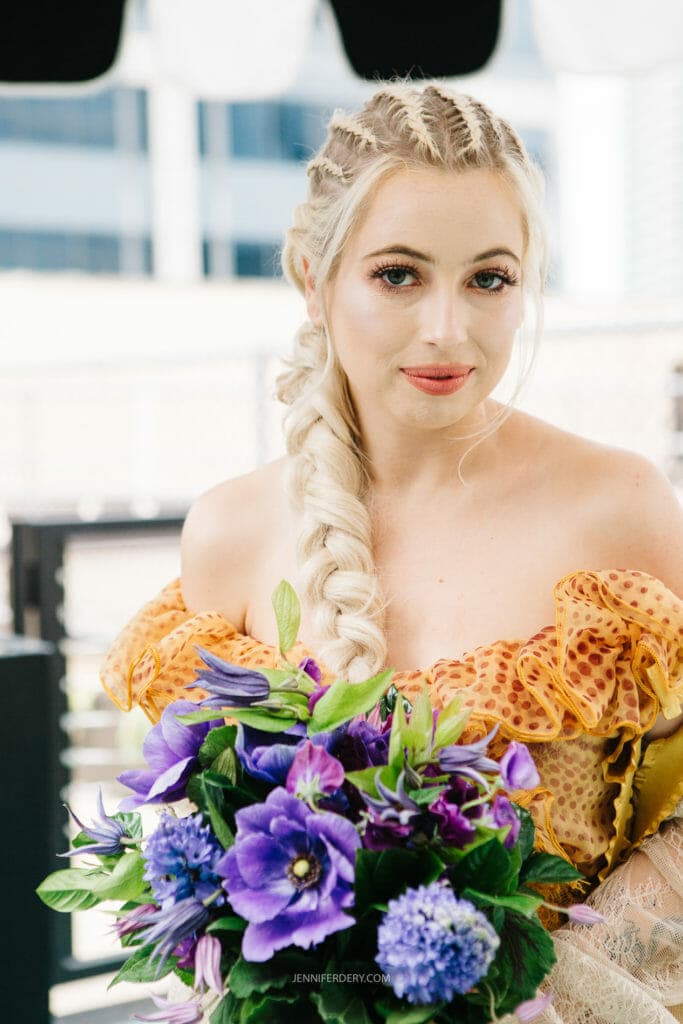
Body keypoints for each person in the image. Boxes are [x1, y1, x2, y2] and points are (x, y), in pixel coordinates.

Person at [100, 82, 683, 1023]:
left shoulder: (614, 508)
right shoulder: (227, 533)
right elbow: (214, 889)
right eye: (398, 274)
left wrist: (543, 993)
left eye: (488, 280)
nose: (446, 330)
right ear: (310, 276)